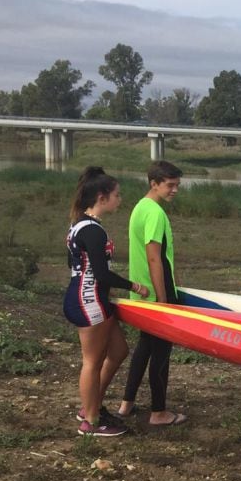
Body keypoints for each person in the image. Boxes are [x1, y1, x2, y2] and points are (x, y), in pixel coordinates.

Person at [64, 167, 149, 437]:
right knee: (92, 361)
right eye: (117, 195)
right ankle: (90, 420)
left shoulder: (83, 225)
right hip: (88, 301)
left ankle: (93, 405)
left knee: (119, 351)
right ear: (102, 197)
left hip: (93, 298)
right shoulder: (92, 230)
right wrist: (133, 286)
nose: (119, 199)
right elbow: (100, 274)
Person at [117, 160, 188, 427]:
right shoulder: (156, 213)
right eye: (170, 185)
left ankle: (127, 404)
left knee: (144, 348)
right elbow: (154, 258)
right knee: (161, 353)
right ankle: (159, 412)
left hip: (143, 292)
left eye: (177, 185)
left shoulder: (140, 207)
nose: (175, 190)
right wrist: (163, 300)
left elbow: (162, 259)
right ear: (154, 184)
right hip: (155, 292)